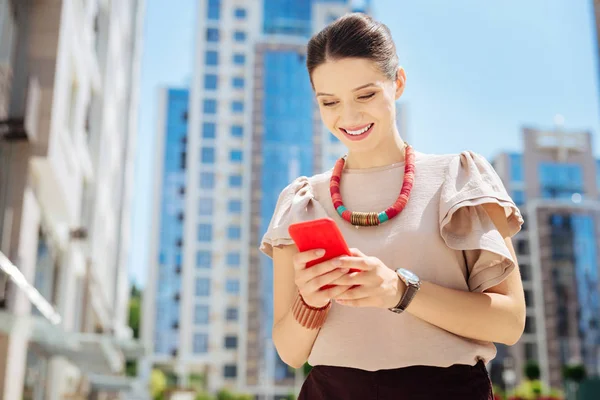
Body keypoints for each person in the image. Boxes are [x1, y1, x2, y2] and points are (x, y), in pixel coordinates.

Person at [259, 13, 525, 400]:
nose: (348, 117)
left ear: (397, 82)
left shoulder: (460, 178)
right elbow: (290, 350)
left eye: (365, 95)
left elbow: (509, 322)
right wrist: (312, 302)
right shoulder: (302, 200)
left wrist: (400, 290)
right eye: (329, 102)